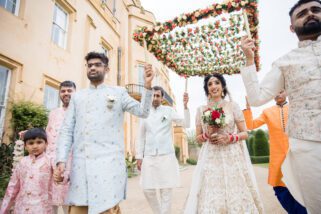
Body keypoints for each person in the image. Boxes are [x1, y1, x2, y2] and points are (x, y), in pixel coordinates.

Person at [240, 0, 321, 213]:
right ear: (292, 27)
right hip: (308, 145)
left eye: (316, 10)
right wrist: (249, 60)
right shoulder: (285, 62)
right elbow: (257, 100)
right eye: (302, 13)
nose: (310, 14)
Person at [53, 52, 154, 214]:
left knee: (107, 208)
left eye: (97, 64)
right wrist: (61, 161)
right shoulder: (77, 97)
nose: (93, 67)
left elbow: (143, 112)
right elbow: (66, 131)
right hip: (82, 165)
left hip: (109, 165)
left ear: (107, 69)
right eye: (90, 65)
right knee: (79, 207)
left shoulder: (119, 93)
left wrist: (148, 87)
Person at [184, 73, 264, 214]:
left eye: (216, 83)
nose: (213, 86)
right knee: (211, 193)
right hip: (210, 157)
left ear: (223, 86)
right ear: (207, 89)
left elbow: (245, 133)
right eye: (210, 84)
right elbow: (197, 138)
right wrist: (207, 134)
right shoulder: (201, 110)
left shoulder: (233, 106)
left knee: (235, 191)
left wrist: (230, 138)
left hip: (231, 156)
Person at [243, 91, 307, 213]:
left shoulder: (296, 107)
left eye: (281, 91)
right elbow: (250, 125)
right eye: (275, 91)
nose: (278, 94)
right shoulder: (267, 112)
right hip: (277, 158)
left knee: (300, 189)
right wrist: (248, 108)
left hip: (296, 156)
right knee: (279, 189)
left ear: (287, 92)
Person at [136, 86, 190, 214]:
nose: (155, 98)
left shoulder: (169, 111)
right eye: (153, 95)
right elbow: (140, 136)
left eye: (158, 96)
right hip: (149, 156)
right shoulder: (144, 113)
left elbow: (186, 124)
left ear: (162, 98)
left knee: (166, 190)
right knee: (147, 189)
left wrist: (186, 106)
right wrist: (139, 156)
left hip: (166, 156)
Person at [0, 128, 64, 214]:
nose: (35, 146)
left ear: (46, 144)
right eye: (31, 143)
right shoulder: (22, 162)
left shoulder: (50, 161)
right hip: (21, 208)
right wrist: (3, 210)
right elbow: (12, 187)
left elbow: (62, 173)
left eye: (39, 142)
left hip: (42, 208)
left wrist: (60, 176)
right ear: (25, 146)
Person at [46, 80, 76, 214]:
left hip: (71, 162)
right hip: (51, 160)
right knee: (50, 202)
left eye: (69, 91)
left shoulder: (79, 113)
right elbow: (47, 133)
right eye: (63, 91)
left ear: (75, 93)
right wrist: (29, 134)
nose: (66, 93)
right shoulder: (53, 113)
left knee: (67, 203)